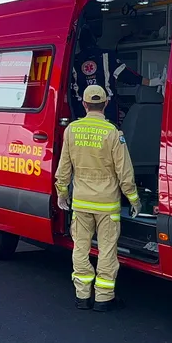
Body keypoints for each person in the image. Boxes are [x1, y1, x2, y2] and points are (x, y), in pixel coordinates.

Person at [54, 85, 140, 312]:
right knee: (107, 251)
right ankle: (104, 298)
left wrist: (62, 193)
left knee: (80, 249)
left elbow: (64, 168)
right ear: (106, 104)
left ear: (83, 104)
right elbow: (124, 172)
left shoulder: (71, 130)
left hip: (81, 202)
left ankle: (82, 296)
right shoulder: (113, 132)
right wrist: (133, 199)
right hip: (107, 204)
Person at [69, 27, 145, 124]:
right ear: (94, 39)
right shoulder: (107, 56)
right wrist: (150, 82)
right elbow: (127, 75)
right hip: (107, 109)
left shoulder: (73, 61)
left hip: (81, 110)